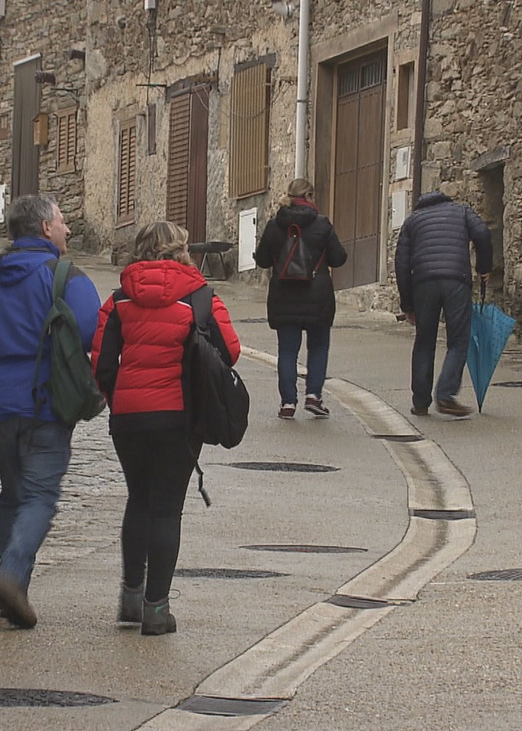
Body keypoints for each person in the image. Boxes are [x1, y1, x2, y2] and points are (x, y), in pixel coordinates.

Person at [0, 194, 101, 629]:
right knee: (40, 495)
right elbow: (92, 330)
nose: (68, 230)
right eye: (62, 221)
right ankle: (12, 577)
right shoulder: (65, 277)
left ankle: (10, 591)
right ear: (44, 229)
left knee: (14, 495)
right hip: (46, 403)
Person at [91, 222, 241, 636]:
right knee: (166, 509)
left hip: (130, 417)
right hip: (179, 417)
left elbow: (102, 362)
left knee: (138, 499)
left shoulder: (119, 298)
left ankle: (129, 596)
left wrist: (118, 397)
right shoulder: (201, 297)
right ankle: (156, 608)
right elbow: (230, 352)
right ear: (182, 250)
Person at [253, 178, 348, 420]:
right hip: (318, 296)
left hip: (283, 295)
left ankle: (288, 402)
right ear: (310, 196)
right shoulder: (322, 224)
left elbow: (263, 260)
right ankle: (314, 396)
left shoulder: (275, 225)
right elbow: (338, 258)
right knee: (317, 347)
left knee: (287, 350)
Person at [395, 191, 493, 417]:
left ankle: (420, 402)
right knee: (458, 339)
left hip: (423, 284)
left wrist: (407, 305)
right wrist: (483, 267)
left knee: (424, 342)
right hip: (456, 280)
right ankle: (446, 394)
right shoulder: (461, 211)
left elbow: (401, 263)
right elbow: (482, 233)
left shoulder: (412, 221)